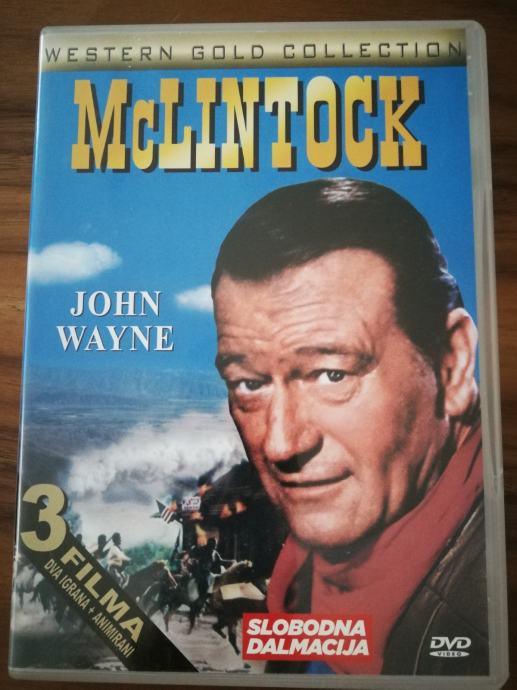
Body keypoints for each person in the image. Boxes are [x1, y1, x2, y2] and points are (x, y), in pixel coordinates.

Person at [211, 178, 487, 675]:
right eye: (250, 384)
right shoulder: (298, 580)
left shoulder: (484, 612)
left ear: (452, 365)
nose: (280, 444)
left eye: (332, 374)